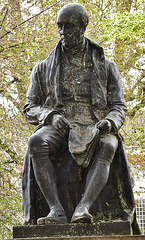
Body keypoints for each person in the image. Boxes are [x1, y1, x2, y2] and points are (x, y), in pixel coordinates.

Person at [22, 3, 139, 231]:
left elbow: (118, 106)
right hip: (60, 125)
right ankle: (55, 209)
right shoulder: (43, 68)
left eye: (69, 27)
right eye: (60, 27)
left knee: (108, 145)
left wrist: (108, 123)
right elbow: (30, 107)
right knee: (36, 141)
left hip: (95, 124)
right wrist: (49, 115)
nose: (63, 33)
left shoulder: (107, 67)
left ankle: (83, 208)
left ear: (83, 27)